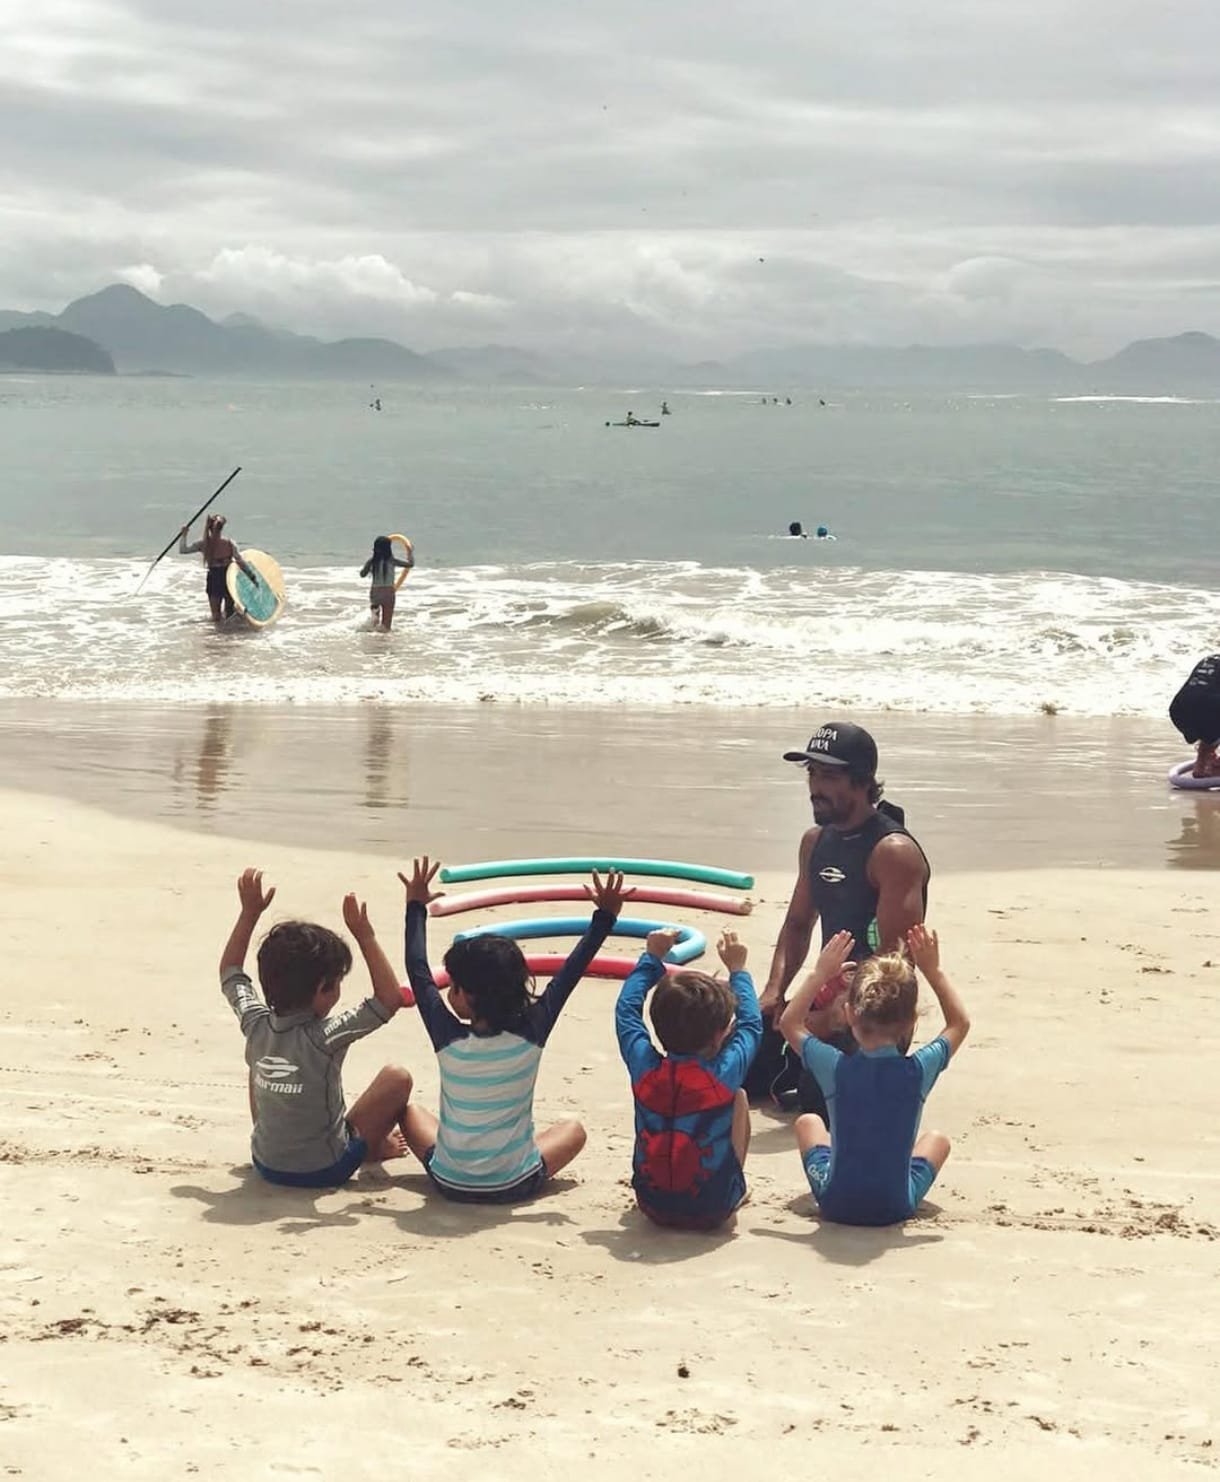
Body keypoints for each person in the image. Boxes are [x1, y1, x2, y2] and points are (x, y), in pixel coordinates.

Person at [399, 857, 630, 1203]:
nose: (448, 993)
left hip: (449, 1183)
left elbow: (416, 968)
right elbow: (571, 971)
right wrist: (605, 917)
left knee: (410, 1113)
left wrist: (415, 906)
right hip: (513, 1185)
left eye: (454, 986)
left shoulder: (446, 1036)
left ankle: (470, 1164)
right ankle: (509, 1162)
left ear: (468, 995)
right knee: (573, 1131)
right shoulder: (532, 1031)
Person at [749, 721, 930, 1113]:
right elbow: (798, 924)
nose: (815, 786)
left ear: (863, 781)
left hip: (875, 1017)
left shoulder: (892, 852)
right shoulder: (815, 842)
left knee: (817, 1104)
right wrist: (776, 992)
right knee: (741, 1064)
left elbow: (894, 966)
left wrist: (831, 1018)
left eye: (829, 775)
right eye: (812, 773)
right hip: (826, 996)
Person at [218, 867, 415, 1188]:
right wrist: (365, 935)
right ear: (324, 989)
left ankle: (280, 1138)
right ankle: (373, 1148)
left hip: (266, 1163)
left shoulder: (254, 1022)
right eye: (336, 983)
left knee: (260, 1064)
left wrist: (249, 914)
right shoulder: (325, 1035)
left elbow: (231, 971)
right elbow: (389, 999)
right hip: (324, 1169)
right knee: (397, 1077)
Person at [778, 924, 969, 1225]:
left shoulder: (835, 1066)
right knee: (937, 1140)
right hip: (894, 1207)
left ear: (850, 1013)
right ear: (911, 1021)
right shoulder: (918, 1070)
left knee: (809, 1122)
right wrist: (934, 971)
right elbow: (959, 1024)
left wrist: (819, 974)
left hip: (836, 1203)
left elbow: (790, 1024)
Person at [616, 927, 762, 1230]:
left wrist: (651, 958)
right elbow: (750, 1024)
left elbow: (626, 1012)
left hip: (651, 1205)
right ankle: (736, 1190)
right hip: (713, 1210)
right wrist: (739, 971)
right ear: (719, 1034)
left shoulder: (645, 1070)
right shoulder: (722, 1077)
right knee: (739, 1097)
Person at [179, 513, 258, 622]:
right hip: (228, 577)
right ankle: (230, 635)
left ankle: (216, 635)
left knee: (216, 616)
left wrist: (184, 535)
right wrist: (252, 576)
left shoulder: (203, 543)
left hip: (214, 577)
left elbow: (183, 550)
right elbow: (240, 562)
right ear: (222, 528)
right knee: (229, 613)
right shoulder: (230, 543)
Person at [1169, 654, 1220, 778]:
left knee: (1208, 728)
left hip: (1178, 710)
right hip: (1209, 710)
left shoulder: (1210, 659)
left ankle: (1202, 762)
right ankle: (1213, 766)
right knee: (1209, 712)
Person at [359, 535, 414, 631]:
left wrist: (368, 568)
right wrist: (410, 553)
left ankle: (371, 635)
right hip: (388, 593)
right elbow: (410, 564)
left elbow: (362, 574)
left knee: (374, 621)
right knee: (386, 626)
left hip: (375, 593)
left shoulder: (372, 561)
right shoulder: (391, 560)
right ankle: (383, 642)